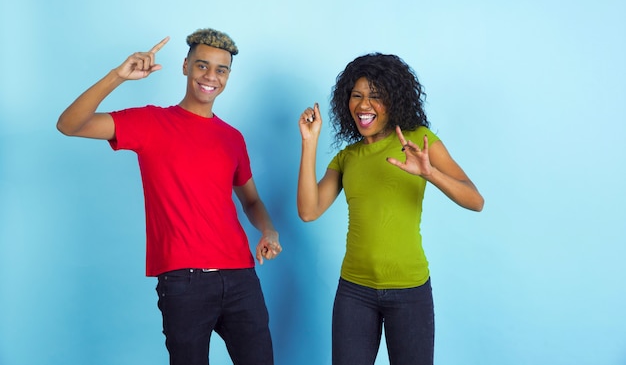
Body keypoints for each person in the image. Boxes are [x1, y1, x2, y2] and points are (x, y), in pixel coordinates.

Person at [57, 28, 282, 365]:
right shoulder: (151, 122)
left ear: (228, 76)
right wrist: (117, 76)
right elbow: (69, 125)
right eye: (202, 66)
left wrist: (269, 231)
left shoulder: (232, 137)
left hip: (241, 278)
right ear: (185, 66)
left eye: (221, 70)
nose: (211, 77)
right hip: (184, 282)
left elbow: (250, 200)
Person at [297, 53, 484, 365]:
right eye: (356, 96)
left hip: (409, 291)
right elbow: (308, 211)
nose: (363, 105)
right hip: (354, 292)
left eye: (375, 96)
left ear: (395, 100)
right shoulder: (347, 157)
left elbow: (475, 200)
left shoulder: (418, 140)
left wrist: (430, 173)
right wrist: (309, 142)